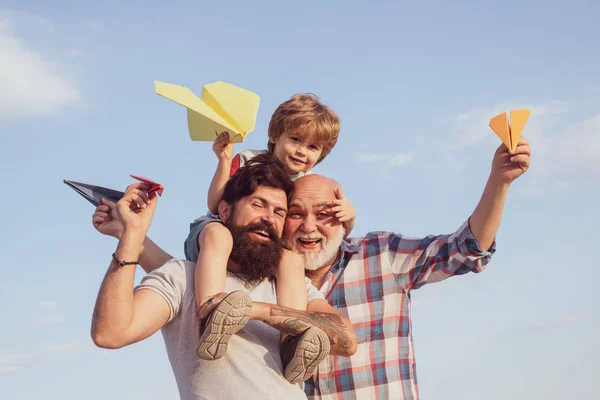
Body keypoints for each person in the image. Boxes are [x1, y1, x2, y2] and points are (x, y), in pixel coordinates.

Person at [90, 154, 357, 400]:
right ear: (225, 212)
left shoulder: (290, 284)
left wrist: (256, 311)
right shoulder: (183, 276)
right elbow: (110, 333)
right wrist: (131, 236)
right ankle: (210, 317)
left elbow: (345, 340)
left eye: (279, 212)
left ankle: (290, 343)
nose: (268, 218)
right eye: (257, 205)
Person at [281, 138, 531, 399]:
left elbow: (464, 249)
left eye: (323, 214)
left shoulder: (381, 254)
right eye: (296, 214)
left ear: (344, 218)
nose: (309, 227)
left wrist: (499, 182)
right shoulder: (271, 281)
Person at [184, 94, 355, 377]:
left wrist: (351, 215)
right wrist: (225, 161)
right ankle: (210, 314)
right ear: (276, 136)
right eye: (296, 140)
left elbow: (325, 226)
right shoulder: (249, 160)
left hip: (257, 247)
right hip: (219, 230)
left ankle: (291, 340)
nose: (302, 151)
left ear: (321, 154)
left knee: (289, 260)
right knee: (219, 236)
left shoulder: (304, 185)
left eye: (312, 146)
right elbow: (216, 204)